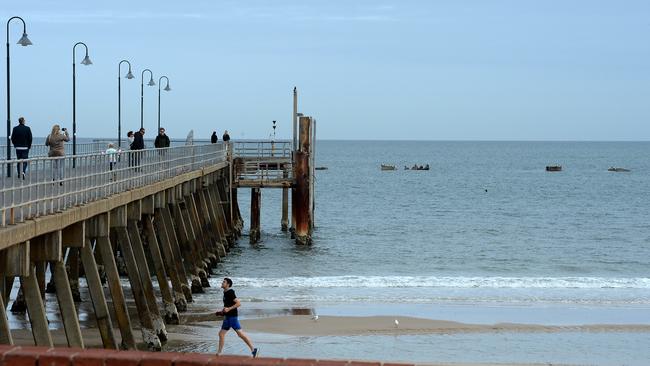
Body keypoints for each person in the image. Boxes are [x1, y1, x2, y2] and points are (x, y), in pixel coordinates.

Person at [216, 278, 257, 358]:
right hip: (227, 317)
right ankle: (219, 352)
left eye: (224, 282)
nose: (222, 283)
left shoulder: (230, 292)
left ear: (228, 284)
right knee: (221, 334)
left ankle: (253, 349)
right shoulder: (225, 293)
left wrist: (229, 309)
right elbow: (227, 306)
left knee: (240, 334)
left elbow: (238, 303)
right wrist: (222, 312)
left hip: (232, 317)